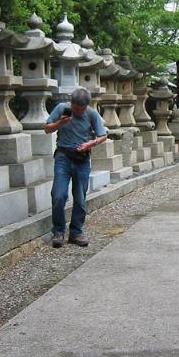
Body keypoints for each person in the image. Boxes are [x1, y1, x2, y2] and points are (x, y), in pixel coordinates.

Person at [44, 87, 107, 248]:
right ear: (71, 103)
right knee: (59, 195)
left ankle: (76, 231)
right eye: (75, 108)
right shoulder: (61, 109)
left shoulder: (92, 114)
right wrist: (60, 123)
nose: (78, 111)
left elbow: (103, 135)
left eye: (81, 109)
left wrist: (90, 144)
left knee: (80, 198)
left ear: (87, 106)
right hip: (63, 156)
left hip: (82, 159)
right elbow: (47, 129)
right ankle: (58, 231)